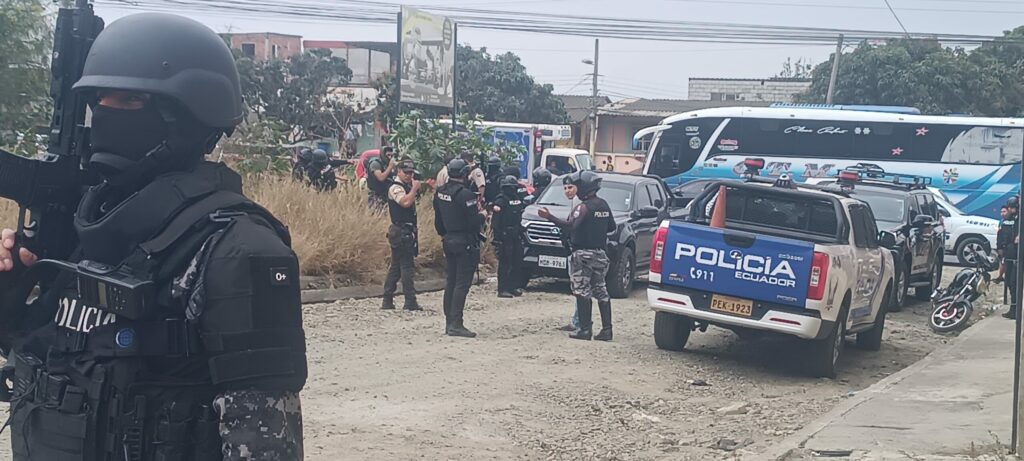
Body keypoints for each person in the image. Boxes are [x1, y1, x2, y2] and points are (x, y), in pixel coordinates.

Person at [0, 13, 306, 460]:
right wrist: (11, 300)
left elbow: (266, 445)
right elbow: (58, 358)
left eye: (128, 99)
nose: (105, 113)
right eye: (99, 99)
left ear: (187, 113)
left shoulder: (237, 251)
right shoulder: (91, 227)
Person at [538, 171, 616, 341]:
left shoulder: (583, 207)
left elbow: (570, 226)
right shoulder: (603, 205)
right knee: (601, 291)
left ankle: (585, 329)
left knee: (582, 291)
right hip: (600, 254)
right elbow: (611, 227)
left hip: (582, 254)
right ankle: (607, 330)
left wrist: (549, 216)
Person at [434, 158, 487, 338]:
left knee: (451, 281)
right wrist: (483, 215)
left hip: (448, 239)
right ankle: (456, 323)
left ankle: (449, 322)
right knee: (461, 284)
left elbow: (438, 221)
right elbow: (473, 222)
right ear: (464, 174)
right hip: (464, 241)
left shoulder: (440, 192)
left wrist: (445, 234)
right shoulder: (466, 195)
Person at [383, 158, 423, 311]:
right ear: (399, 171)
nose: (409, 175)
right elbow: (405, 203)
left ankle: (387, 299)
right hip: (400, 231)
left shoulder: (405, 185)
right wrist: (414, 189)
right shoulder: (396, 187)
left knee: (396, 267)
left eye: (411, 173)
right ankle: (409, 300)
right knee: (406, 267)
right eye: (406, 172)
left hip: (405, 230)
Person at [491, 175, 527, 298]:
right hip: (504, 235)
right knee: (505, 263)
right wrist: (496, 239)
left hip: (516, 234)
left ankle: (512, 287)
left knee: (516, 261)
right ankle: (502, 289)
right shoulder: (500, 200)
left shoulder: (517, 199)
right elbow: (495, 222)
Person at [1002, 202, 1020, 319]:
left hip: (1015, 258)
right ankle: (1013, 309)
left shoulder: (1018, 219)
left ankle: (1015, 310)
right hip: (1009, 256)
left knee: (1014, 284)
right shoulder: (1011, 219)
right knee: (1009, 282)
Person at [366, 146, 397, 210]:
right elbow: (381, 177)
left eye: (392, 155)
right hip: (376, 196)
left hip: (386, 195)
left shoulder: (386, 164)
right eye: (388, 155)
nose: (390, 157)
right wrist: (390, 167)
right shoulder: (375, 163)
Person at [996, 205, 1012, 284]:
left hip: (1010, 246)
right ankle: (1000, 276)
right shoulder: (1001, 222)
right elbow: (999, 234)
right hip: (1002, 245)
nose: (1002, 213)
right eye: (1001, 212)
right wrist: (999, 247)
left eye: (1004, 211)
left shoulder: (1014, 221)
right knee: (1002, 261)